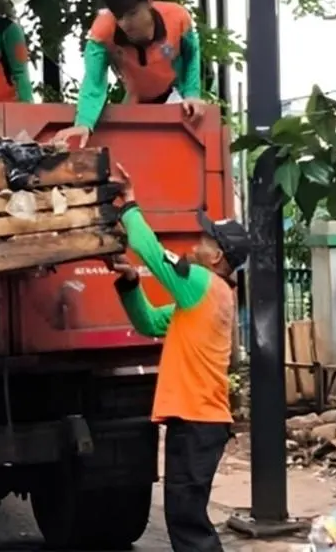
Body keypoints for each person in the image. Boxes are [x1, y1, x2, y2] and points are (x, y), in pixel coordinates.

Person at [107, 163, 249, 552]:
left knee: (187, 521)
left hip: (198, 421)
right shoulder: (202, 299)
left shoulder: (203, 283)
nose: (198, 242)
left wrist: (130, 203)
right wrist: (131, 283)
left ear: (217, 254)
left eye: (206, 239)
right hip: (199, 422)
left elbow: (153, 254)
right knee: (185, 516)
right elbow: (151, 322)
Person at [55, 0, 204, 147]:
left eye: (132, 13)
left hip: (174, 97)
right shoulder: (102, 32)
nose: (125, 23)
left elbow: (191, 55)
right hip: (135, 101)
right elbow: (94, 81)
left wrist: (192, 93)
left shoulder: (178, 18)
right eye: (118, 16)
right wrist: (84, 123)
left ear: (149, 2)